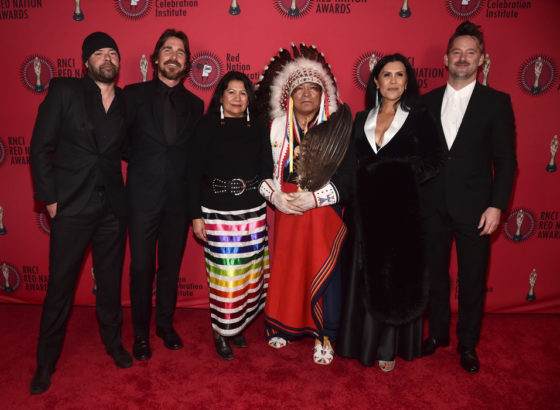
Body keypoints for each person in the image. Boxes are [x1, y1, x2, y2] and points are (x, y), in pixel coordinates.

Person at [29, 32, 132, 395]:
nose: (108, 58)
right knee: (60, 286)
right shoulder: (64, 91)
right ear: (86, 61)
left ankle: (114, 343)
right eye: (100, 53)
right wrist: (50, 199)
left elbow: (133, 149)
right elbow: (40, 146)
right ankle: (46, 361)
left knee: (109, 283)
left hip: (112, 211)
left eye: (113, 53)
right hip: (71, 206)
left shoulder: (124, 102)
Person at [336, 54, 443, 372]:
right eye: (387, 75)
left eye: (400, 75)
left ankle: (386, 348)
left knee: (394, 280)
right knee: (364, 277)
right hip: (363, 213)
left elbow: (435, 159)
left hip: (401, 211)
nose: (393, 81)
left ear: (407, 82)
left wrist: (399, 177)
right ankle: (359, 344)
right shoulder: (360, 118)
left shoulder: (420, 117)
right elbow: (349, 164)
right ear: (377, 82)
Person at [420, 21, 517, 374]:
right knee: (435, 275)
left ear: (481, 60)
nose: (463, 58)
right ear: (446, 58)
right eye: (457, 52)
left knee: (473, 278)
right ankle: (437, 336)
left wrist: (497, 206)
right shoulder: (425, 102)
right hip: (432, 206)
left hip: (477, 209)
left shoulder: (497, 103)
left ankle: (467, 344)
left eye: (470, 53)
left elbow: (506, 162)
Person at [255, 44, 355, 365]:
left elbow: (349, 177)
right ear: (290, 94)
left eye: (314, 88)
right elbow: (259, 171)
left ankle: (325, 333)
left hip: (323, 209)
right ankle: (283, 324)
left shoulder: (337, 128)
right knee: (287, 266)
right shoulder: (273, 128)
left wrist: (314, 198)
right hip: (287, 208)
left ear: (323, 94)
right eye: (302, 88)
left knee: (324, 266)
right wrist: (278, 198)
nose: (308, 94)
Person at [124, 29, 204, 361]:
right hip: (141, 199)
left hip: (178, 201)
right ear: (156, 58)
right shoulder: (132, 95)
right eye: (168, 50)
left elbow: (196, 158)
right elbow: (121, 144)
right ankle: (140, 334)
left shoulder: (196, 105)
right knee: (141, 267)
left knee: (169, 268)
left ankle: (164, 325)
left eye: (180, 52)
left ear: (186, 63)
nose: (174, 56)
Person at [187, 71, 272, 360]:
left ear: (250, 98)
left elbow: (266, 170)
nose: (237, 98)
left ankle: (235, 326)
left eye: (243, 92)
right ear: (221, 96)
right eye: (231, 92)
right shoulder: (205, 125)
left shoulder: (259, 127)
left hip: (253, 212)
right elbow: (192, 172)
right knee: (227, 275)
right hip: (217, 213)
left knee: (248, 273)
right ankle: (220, 330)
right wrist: (195, 215)